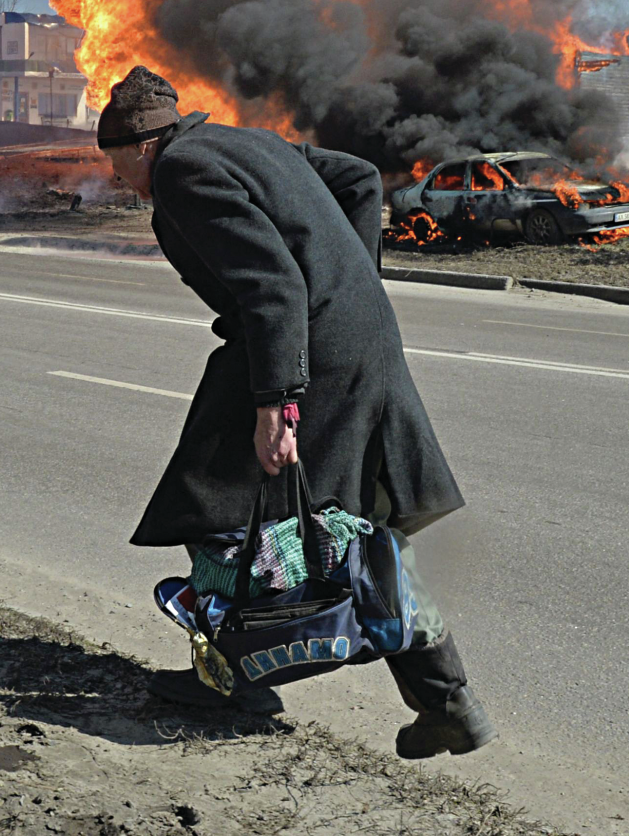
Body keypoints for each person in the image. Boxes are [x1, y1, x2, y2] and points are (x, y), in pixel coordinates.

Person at [98, 65, 496, 759]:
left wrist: (275, 403)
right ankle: (449, 700)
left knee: (207, 495)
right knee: (361, 524)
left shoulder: (181, 170)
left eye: (115, 163)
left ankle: (235, 677)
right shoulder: (248, 144)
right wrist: (352, 283)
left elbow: (274, 287)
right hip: (357, 338)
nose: (116, 180)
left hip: (302, 352)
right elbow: (361, 179)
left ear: (139, 145)